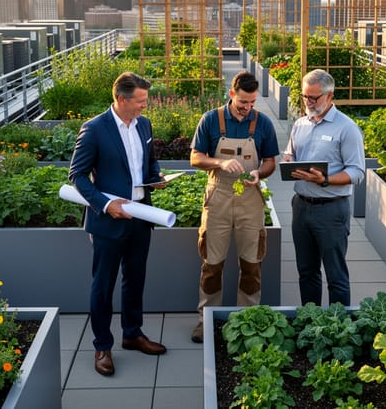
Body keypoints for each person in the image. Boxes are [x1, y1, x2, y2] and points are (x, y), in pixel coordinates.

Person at [68, 72, 168, 377]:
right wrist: (106, 204)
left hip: (141, 216)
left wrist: (157, 177)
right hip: (108, 221)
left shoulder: (145, 125)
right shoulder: (95, 129)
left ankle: (132, 334)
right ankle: (102, 345)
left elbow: (148, 162)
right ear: (121, 99)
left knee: (135, 278)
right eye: (139, 101)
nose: (144, 106)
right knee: (103, 286)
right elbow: (77, 176)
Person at [188, 71, 279, 343]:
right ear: (231, 94)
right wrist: (220, 163)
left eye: (252, 103)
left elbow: (271, 162)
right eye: (243, 102)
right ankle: (206, 320)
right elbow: (195, 158)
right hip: (218, 195)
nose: (248, 108)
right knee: (212, 264)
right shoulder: (210, 120)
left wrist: (259, 174)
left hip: (250, 197)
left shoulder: (263, 124)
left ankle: (247, 321)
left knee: (251, 263)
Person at [283, 69, 366, 306]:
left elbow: (357, 172)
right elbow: (291, 152)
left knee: (336, 275)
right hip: (301, 207)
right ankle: (311, 323)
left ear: (329, 96)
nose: (308, 102)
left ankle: (338, 328)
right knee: (307, 272)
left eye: (314, 98)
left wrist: (325, 179)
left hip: (331, 210)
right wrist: (288, 160)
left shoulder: (346, 128)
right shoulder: (300, 124)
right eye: (305, 97)